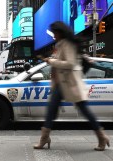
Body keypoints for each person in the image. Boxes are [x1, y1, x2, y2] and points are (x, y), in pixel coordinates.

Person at [34, 21, 110, 151]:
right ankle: (44, 138)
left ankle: (102, 137)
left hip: (71, 84)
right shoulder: (60, 44)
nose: (53, 35)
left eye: (54, 32)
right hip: (62, 84)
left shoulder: (67, 44)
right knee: (51, 110)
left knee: (85, 111)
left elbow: (70, 63)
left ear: (60, 32)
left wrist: (51, 61)